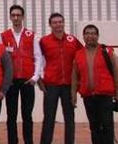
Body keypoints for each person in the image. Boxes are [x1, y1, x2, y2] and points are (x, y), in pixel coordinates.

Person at [71, 24, 118, 144]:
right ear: (83, 36)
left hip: (105, 95)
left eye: (93, 33)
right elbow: (74, 76)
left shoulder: (106, 51)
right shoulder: (78, 54)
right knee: (94, 126)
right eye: (87, 33)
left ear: (98, 36)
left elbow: (117, 71)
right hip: (88, 96)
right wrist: (73, 94)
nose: (90, 36)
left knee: (107, 125)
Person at [1, 5, 43, 144]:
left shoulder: (32, 35)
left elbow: (38, 57)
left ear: (23, 17)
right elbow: (1, 60)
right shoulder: (4, 35)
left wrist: (35, 77)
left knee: (27, 115)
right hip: (11, 82)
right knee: (11, 115)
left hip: (27, 81)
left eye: (18, 15)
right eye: (13, 15)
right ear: (10, 17)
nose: (16, 18)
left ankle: (28, 141)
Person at [39, 13, 82, 144]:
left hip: (68, 85)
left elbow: (82, 58)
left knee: (69, 117)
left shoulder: (72, 40)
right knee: (49, 117)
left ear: (64, 23)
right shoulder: (44, 41)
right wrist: (39, 80)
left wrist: (79, 81)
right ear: (50, 25)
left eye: (60, 22)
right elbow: (37, 61)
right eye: (55, 22)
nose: (58, 25)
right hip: (51, 84)